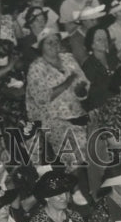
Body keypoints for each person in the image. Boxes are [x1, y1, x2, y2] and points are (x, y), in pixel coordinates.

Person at [25, 25, 89, 165]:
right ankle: (76, 182)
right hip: (52, 119)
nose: (54, 45)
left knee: (95, 143)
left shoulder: (68, 58)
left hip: (77, 113)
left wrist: (82, 90)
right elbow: (41, 98)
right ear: (41, 47)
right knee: (77, 148)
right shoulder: (36, 68)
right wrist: (67, 83)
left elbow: (83, 81)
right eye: (49, 42)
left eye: (56, 41)